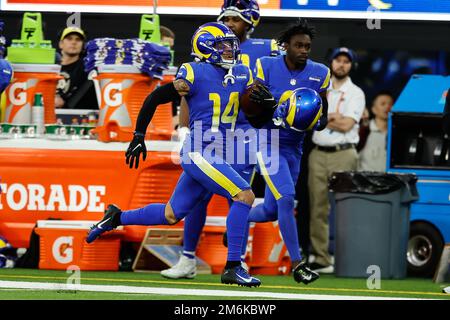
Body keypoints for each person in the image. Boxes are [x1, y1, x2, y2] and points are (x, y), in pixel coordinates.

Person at [86, 22, 272, 287]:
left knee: (172, 214)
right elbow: (155, 98)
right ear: (206, 47)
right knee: (245, 195)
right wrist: (138, 135)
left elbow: (254, 119)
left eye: (231, 45)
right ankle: (233, 266)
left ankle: (115, 217)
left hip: (222, 151)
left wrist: (266, 107)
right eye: (223, 46)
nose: (230, 50)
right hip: (199, 150)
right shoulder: (193, 72)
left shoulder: (242, 73)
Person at [161, 0, 279, 280]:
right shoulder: (210, 49)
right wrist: (184, 126)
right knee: (198, 198)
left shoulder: (265, 50)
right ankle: (188, 258)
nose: (228, 23)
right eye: (225, 18)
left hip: (244, 134)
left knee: (238, 196)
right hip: (211, 134)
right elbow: (193, 94)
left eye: (235, 19)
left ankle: (237, 259)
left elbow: (268, 91)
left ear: (250, 22)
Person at [241, 18, 330, 284]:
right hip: (268, 141)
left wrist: (309, 116)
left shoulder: (318, 72)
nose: (304, 50)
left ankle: (237, 221)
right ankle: (298, 263)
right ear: (285, 46)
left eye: (307, 46)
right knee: (287, 199)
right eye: (299, 45)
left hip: (295, 146)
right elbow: (252, 111)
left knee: (270, 210)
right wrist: (271, 105)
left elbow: (324, 119)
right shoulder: (266, 66)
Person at [308, 47, 366, 273]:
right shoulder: (320, 87)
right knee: (318, 207)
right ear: (330, 62)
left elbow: (347, 125)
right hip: (318, 152)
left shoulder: (356, 92)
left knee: (344, 208)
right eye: (338, 60)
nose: (341, 65)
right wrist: (331, 117)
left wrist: (324, 117)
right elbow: (309, 119)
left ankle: (344, 258)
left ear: (352, 66)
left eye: (346, 61)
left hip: (344, 152)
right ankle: (321, 258)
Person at [55, 26, 98, 110]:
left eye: (78, 39)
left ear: (83, 45)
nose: (74, 42)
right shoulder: (50, 66)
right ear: (61, 44)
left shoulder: (88, 69)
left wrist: (64, 103)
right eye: (69, 39)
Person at [357, 91, 394, 172]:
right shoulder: (363, 131)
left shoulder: (396, 133)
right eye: (383, 104)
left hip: (390, 181)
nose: (388, 107)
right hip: (365, 181)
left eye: (391, 104)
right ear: (373, 109)